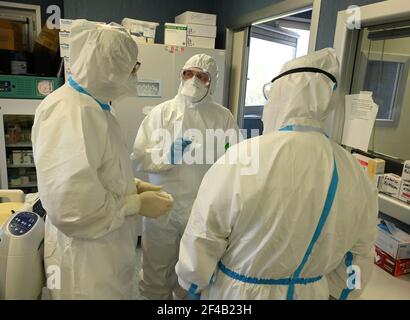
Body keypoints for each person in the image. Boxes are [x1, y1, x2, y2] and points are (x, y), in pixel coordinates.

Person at [175, 48, 379, 300]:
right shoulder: (353, 173)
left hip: (239, 294)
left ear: (281, 95)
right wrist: (342, 293)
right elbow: (359, 254)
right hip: (311, 293)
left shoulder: (243, 157)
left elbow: (204, 234)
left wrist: (192, 284)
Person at [32, 20, 173, 300]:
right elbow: (73, 208)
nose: (135, 74)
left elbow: (97, 170)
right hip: (86, 259)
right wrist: (135, 204)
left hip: (104, 251)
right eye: (133, 67)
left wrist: (132, 185)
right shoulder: (70, 112)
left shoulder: (96, 107)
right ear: (110, 68)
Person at [131, 54, 241, 300]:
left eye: (201, 76)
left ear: (211, 82)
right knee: (156, 269)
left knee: (194, 270)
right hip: (162, 205)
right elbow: (138, 158)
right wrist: (166, 156)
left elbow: (235, 160)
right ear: (181, 75)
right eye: (188, 74)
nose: (193, 80)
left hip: (201, 208)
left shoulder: (222, 117)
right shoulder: (160, 113)